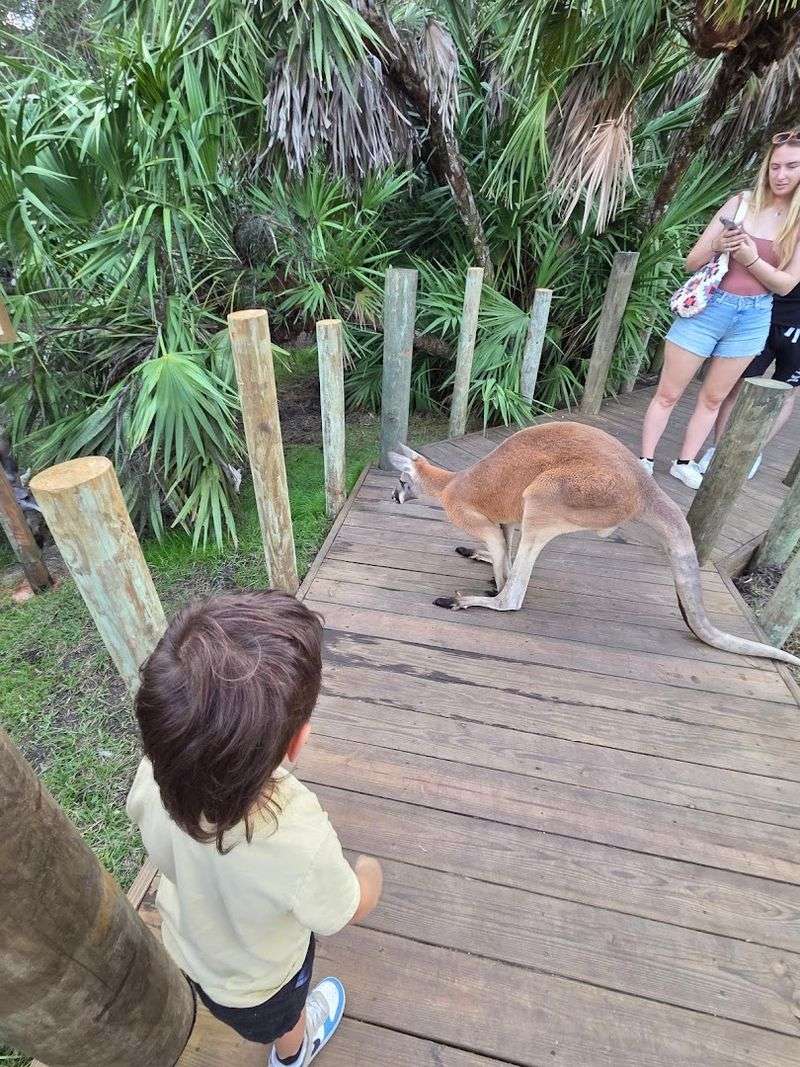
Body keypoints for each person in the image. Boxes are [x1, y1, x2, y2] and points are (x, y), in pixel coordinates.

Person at [127, 590, 383, 1067]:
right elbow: (344, 909)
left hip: (189, 946)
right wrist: (370, 874)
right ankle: (292, 1054)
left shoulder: (152, 772)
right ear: (298, 740)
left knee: (242, 1007)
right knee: (285, 1022)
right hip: (265, 984)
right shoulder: (296, 836)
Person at [640, 131, 800, 489]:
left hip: (754, 316)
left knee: (713, 398)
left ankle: (685, 462)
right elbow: (691, 261)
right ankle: (645, 461)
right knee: (668, 393)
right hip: (709, 308)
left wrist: (751, 258)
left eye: (792, 166)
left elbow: (786, 284)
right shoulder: (741, 203)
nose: (781, 175)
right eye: (775, 166)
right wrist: (719, 244)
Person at [696, 278, 800, 478]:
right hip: (764, 316)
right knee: (737, 385)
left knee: (787, 392)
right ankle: (720, 447)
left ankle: (752, 451)